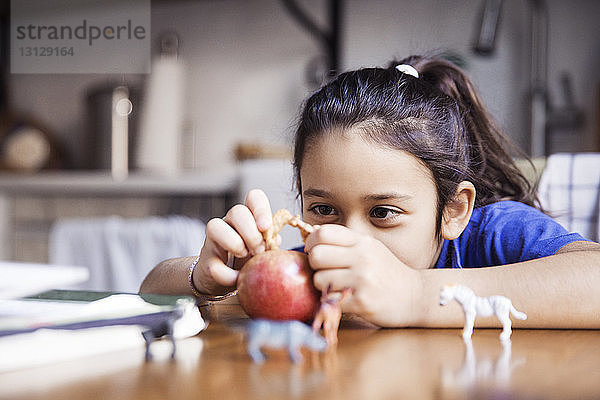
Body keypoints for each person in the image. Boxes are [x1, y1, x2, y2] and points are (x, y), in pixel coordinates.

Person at [140, 54, 600, 329]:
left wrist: (417, 294)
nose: (350, 238)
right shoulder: (314, 263)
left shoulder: (495, 233)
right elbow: (150, 289)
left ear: (454, 210)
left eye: (383, 212)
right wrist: (203, 277)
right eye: (323, 207)